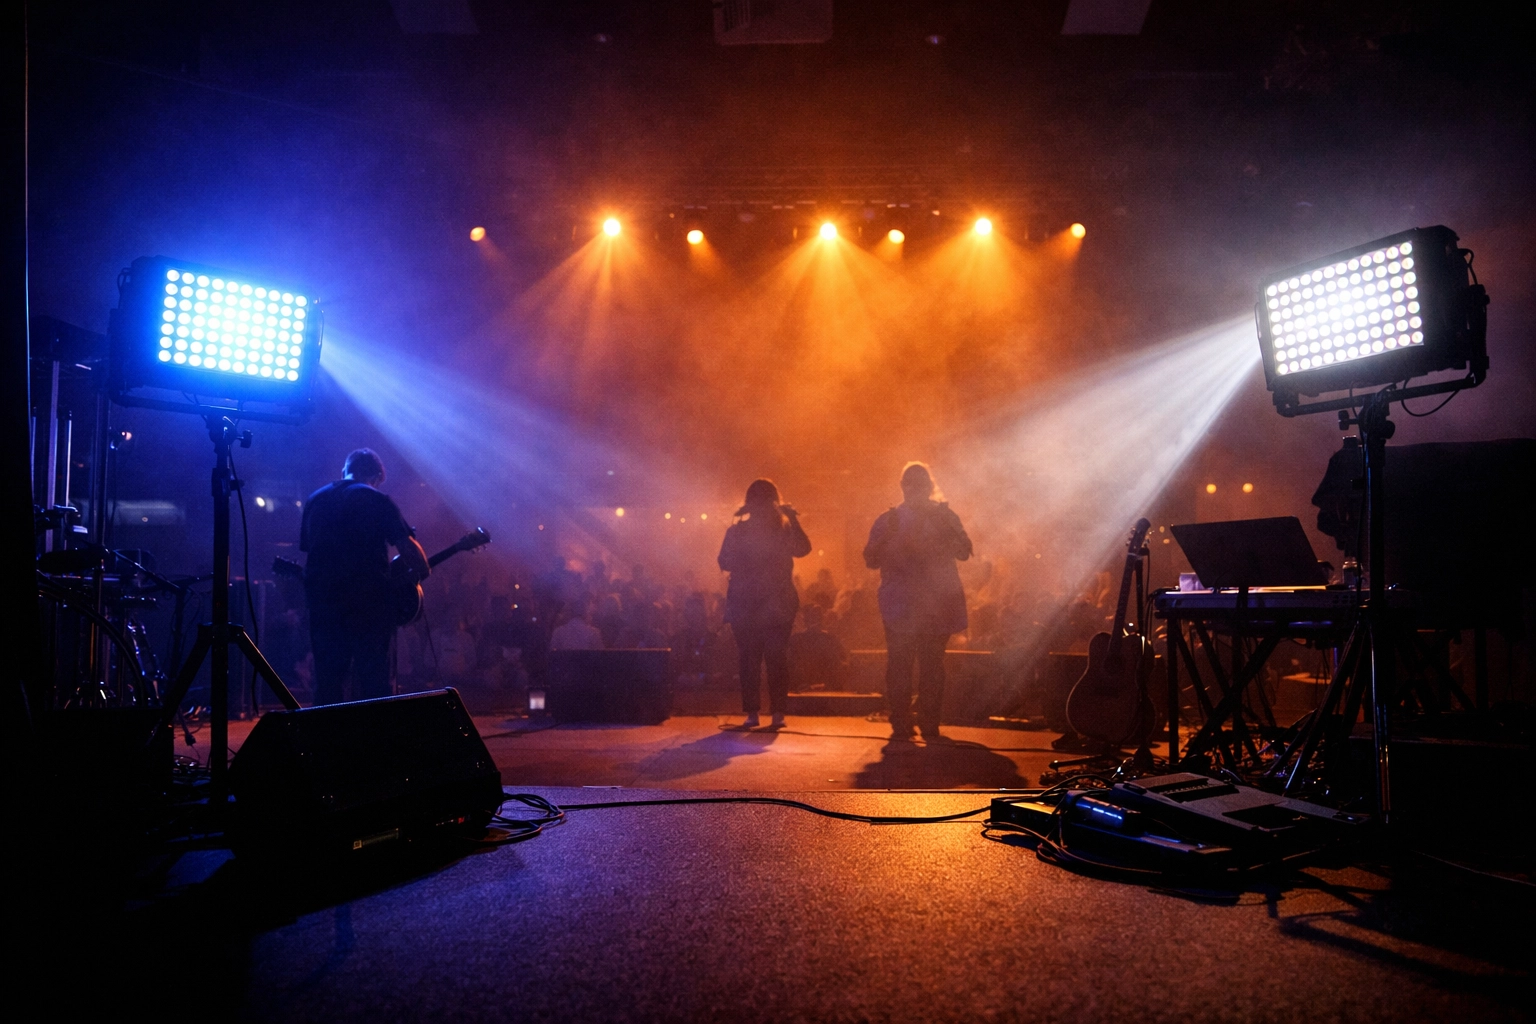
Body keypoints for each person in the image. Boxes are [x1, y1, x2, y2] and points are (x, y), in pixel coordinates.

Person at [299, 448, 430, 704]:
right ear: (376, 476)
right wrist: (420, 569)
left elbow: (310, 552)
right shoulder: (376, 500)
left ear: (344, 471)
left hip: (323, 605)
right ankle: (372, 740)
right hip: (367, 606)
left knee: (327, 683)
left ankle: (323, 741)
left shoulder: (315, 500)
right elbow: (410, 551)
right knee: (373, 682)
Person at [863, 462, 973, 742]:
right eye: (911, 484)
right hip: (909, 604)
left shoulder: (937, 517)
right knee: (920, 666)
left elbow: (964, 550)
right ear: (904, 487)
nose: (914, 489)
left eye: (918, 484)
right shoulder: (892, 520)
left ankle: (915, 723)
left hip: (920, 604)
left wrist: (947, 528)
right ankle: (916, 723)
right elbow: (870, 559)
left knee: (916, 665)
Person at [717, 478, 812, 730]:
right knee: (769, 657)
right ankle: (771, 712)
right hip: (764, 602)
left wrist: (792, 520)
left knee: (758, 657)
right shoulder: (749, 531)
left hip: (763, 603)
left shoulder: (750, 530)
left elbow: (803, 549)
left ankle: (758, 713)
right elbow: (725, 560)